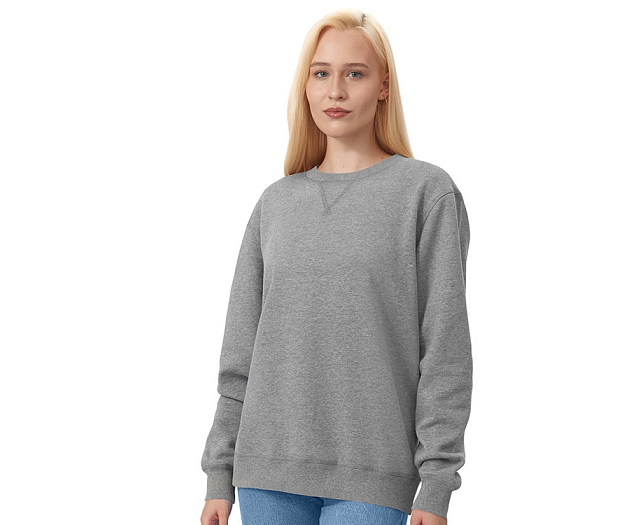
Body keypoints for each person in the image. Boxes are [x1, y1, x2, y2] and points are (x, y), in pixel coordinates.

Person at [200, 8, 473, 525]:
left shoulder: (425, 193)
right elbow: (240, 353)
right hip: (265, 472)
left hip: (375, 473)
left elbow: (445, 350)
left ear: (383, 86)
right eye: (321, 73)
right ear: (305, 87)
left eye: (355, 73)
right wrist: (219, 472)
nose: (336, 91)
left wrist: (437, 482)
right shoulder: (275, 204)